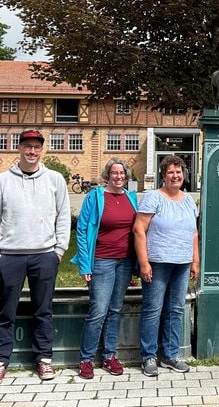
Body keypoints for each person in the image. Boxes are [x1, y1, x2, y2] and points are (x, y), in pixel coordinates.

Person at [0, 129, 71, 385]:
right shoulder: (2, 181)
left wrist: (59, 250)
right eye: (27, 146)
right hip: (10, 256)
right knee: (5, 311)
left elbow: (64, 215)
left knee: (43, 310)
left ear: (42, 150)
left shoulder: (54, 179)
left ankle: (44, 359)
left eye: (36, 147)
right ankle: (0, 363)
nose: (31, 151)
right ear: (19, 149)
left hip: (44, 255)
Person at [72, 158, 139, 379]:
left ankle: (110, 355)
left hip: (125, 261)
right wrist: (85, 264)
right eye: (114, 173)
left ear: (126, 176)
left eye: (122, 173)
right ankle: (86, 359)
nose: (119, 177)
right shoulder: (95, 197)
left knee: (115, 310)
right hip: (101, 260)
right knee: (98, 311)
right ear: (107, 175)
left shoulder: (131, 197)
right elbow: (81, 230)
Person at [134, 155, 199, 377]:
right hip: (158, 261)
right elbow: (139, 229)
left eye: (179, 172)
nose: (175, 176)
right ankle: (148, 356)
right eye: (171, 172)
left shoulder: (189, 200)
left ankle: (170, 355)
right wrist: (144, 262)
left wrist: (195, 260)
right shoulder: (153, 197)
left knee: (176, 309)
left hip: (182, 263)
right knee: (153, 310)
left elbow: (194, 232)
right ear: (164, 175)